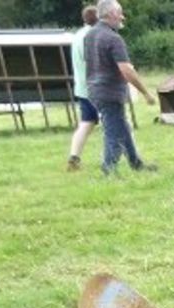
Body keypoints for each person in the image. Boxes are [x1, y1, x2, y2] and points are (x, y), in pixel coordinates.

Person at [85, 0, 157, 176]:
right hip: (109, 91)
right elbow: (126, 69)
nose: (122, 16)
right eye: (120, 13)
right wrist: (146, 93)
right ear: (110, 14)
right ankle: (108, 169)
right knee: (114, 131)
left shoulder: (91, 35)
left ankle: (136, 163)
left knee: (121, 126)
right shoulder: (113, 38)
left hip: (94, 89)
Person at [67, 5, 99, 171]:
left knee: (86, 123)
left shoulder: (77, 35)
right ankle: (128, 156)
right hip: (97, 87)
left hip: (82, 87)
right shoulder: (94, 36)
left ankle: (74, 156)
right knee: (116, 123)